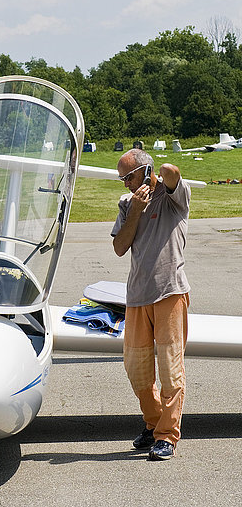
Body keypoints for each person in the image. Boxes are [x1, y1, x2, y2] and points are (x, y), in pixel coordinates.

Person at [111, 149, 190, 461]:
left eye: (129, 176)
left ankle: (167, 436)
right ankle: (154, 422)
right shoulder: (127, 203)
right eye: (122, 178)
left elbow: (171, 170)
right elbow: (119, 247)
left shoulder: (174, 199)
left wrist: (156, 175)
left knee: (171, 369)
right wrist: (135, 211)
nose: (126, 183)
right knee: (137, 370)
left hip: (170, 293)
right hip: (137, 296)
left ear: (144, 171)